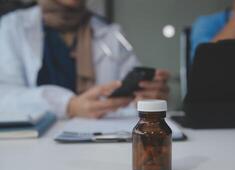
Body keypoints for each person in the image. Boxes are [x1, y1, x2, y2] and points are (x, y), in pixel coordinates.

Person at [0, 0, 170, 119]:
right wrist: (69, 105)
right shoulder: (12, 27)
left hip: (100, 141)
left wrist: (146, 97)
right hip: (35, 145)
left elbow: (129, 93)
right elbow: (4, 96)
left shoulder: (110, 32)